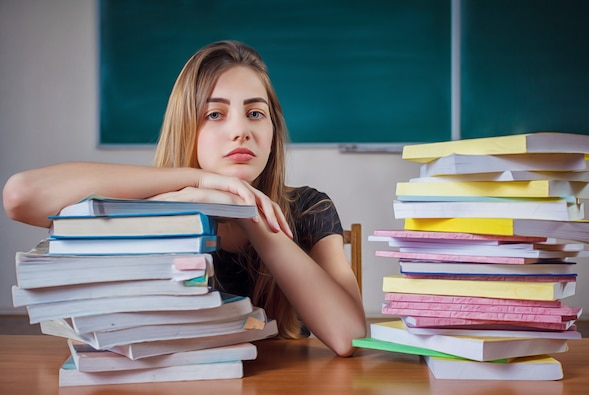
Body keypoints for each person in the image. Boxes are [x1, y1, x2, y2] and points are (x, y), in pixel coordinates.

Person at [3, 40, 366, 357]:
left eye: (256, 113)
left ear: (273, 129)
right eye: (214, 114)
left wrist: (250, 213)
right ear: (186, 127)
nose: (240, 130)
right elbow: (21, 196)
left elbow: (348, 337)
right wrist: (196, 181)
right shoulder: (157, 208)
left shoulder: (309, 207)